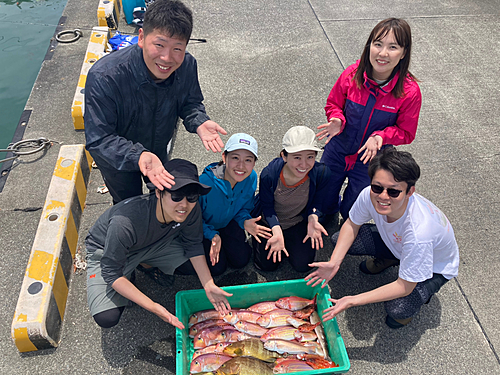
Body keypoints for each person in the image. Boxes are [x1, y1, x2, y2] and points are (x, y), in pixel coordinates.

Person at [84, 0, 227, 204]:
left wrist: (199, 121)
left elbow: (190, 103)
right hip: (118, 160)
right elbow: (99, 139)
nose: (167, 58)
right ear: (141, 37)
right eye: (159, 45)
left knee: (162, 199)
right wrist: (138, 155)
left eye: (177, 48)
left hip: (158, 149)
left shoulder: (186, 65)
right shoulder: (105, 76)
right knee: (128, 203)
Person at [306, 147, 459, 329]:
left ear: (410, 191)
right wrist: (335, 262)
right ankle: (390, 259)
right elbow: (351, 224)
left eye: (393, 192)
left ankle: (424, 289)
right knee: (339, 239)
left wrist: (352, 300)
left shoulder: (420, 232)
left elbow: (404, 287)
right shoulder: (369, 195)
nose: (383, 196)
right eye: (377, 187)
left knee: (398, 309)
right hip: (399, 244)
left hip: (434, 266)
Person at [85, 159, 232, 329]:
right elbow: (111, 272)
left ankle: (144, 264)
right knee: (107, 317)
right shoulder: (124, 222)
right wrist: (154, 307)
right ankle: (133, 269)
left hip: (156, 243)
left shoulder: (191, 208)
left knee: (204, 266)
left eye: (191, 196)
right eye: (176, 196)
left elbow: (193, 243)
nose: (183, 204)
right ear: (158, 192)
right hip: (107, 251)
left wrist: (209, 284)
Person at [316, 18, 422, 220]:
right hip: (337, 150)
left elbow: (407, 132)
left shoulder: (410, 91)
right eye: (378, 44)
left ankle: (347, 229)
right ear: (369, 46)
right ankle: (327, 218)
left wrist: (381, 136)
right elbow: (333, 104)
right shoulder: (351, 74)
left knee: (356, 206)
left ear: (403, 53)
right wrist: (337, 119)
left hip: (372, 160)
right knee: (323, 196)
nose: (383, 53)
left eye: (393, 47)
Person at [253, 126, 332, 273]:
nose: (304, 164)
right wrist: (276, 230)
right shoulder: (269, 175)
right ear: (284, 156)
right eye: (297, 157)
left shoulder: (322, 173)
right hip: (270, 220)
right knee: (266, 266)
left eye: (310, 157)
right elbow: (267, 206)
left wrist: (313, 218)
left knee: (303, 266)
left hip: (296, 221)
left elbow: (318, 201)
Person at [197, 133, 272, 276]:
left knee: (241, 261)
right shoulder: (205, 183)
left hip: (230, 221)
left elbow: (245, 207)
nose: (241, 166)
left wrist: (244, 221)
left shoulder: (251, 177)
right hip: (205, 228)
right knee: (217, 269)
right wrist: (212, 235)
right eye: (235, 158)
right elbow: (192, 218)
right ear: (224, 157)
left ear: (254, 163)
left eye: (248, 160)